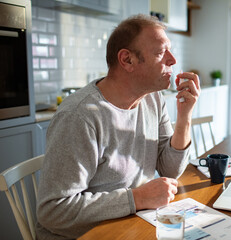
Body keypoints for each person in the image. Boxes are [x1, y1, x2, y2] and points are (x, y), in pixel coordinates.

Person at [36, 14, 200, 239]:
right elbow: (53, 211)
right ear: (127, 60)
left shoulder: (153, 99)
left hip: (129, 224)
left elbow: (170, 170)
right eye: (161, 52)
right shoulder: (80, 116)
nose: (172, 60)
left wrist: (184, 117)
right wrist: (137, 198)